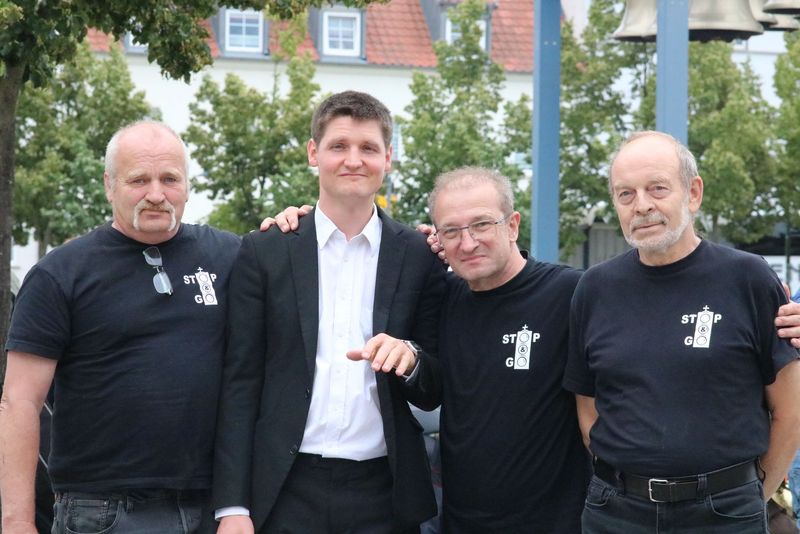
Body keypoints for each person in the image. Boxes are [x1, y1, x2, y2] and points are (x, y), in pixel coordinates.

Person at [212, 91, 445, 534]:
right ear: (313, 153)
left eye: (368, 148)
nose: (353, 160)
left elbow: (434, 387)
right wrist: (232, 505)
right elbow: (239, 383)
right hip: (282, 488)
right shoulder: (265, 251)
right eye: (339, 146)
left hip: (385, 493)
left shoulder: (420, 256)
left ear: (388, 158)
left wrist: (411, 359)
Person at [0, 121, 241, 533]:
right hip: (102, 512)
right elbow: (19, 401)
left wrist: (293, 221)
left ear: (188, 186)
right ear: (109, 185)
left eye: (169, 179)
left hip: (212, 509)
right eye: (139, 180)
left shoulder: (230, 256)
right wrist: (17, 521)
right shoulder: (60, 274)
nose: (156, 194)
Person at [564, 130, 800, 533]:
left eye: (657, 188)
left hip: (724, 514)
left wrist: (749, 496)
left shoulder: (749, 278)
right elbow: (588, 408)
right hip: (615, 513)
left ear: (693, 193)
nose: (642, 205)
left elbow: (790, 410)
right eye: (625, 194)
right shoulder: (594, 289)